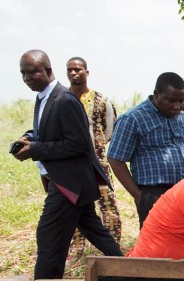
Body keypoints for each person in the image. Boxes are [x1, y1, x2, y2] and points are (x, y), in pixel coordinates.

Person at [5, 50, 123, 281]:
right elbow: (53, 132)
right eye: (23, 73)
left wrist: (35, 149)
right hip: (69, 183)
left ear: (47, 70)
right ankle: (134, 272)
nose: (27, 77)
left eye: (32, 71)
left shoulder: (65, 99)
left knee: (48, 237)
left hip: (69, 183)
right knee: (98, 233)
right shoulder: (46, 98)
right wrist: (30, 136)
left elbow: (79, 143)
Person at [107, 72, 184, 228]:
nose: (177, 107)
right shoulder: (133, 119)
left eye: (181, 101)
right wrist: (138, 194)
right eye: (171, 101)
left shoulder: (182, 118)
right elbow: (115, 158)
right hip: (153, 194)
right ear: (156, 95)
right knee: (157, 246)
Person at [65, 56, 121, 260]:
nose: (73, 73)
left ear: (86, 73)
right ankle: (76, 250)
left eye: (78, 69)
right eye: (70, 70)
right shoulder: (62, 99)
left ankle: (112, 249)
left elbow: (109, 130)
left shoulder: (100, 100)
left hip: (98, 163)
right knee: (75, 206)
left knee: (108, 204)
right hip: (71, 165)